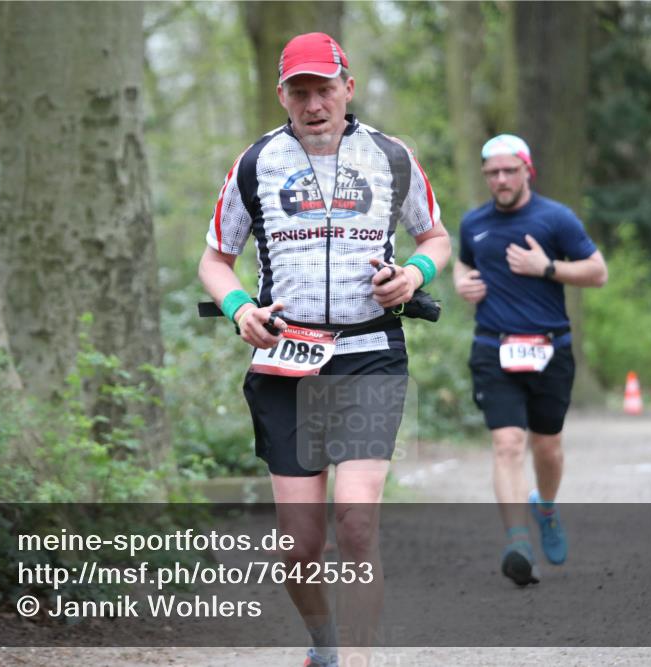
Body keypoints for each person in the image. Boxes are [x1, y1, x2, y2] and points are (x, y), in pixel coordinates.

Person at [197, 32, 451, 666]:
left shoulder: (393, 158)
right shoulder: (255, 163)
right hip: (288, 362)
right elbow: (215, 261)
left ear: (348, 88)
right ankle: (324, 642)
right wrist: (239, 310)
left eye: (324, 90)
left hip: (370, 354)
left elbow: (437, 237)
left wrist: (414, 274)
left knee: (357, 525)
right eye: (299, 92)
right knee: (298, 548)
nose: (313, 105)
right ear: (282, 95)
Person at [454, 134, 607, 587]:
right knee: (507, 445)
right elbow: (464, 263)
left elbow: (598, 272)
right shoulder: (474, 223)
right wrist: (463, 282)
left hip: (550, 349)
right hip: (492, 348)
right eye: (493, 173)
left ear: (527, 170)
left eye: (509, 171)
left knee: (547, 448)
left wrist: (547, 268)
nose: (500, 180)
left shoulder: (555, 218)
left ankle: (546, 507)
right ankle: (518, 542)